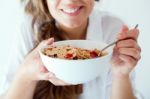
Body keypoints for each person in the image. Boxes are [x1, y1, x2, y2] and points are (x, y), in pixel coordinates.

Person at [0, 0, 142, 99]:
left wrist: (121, 74)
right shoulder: (29, 30)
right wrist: (26, 74)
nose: (70, 1)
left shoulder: (113, 31)